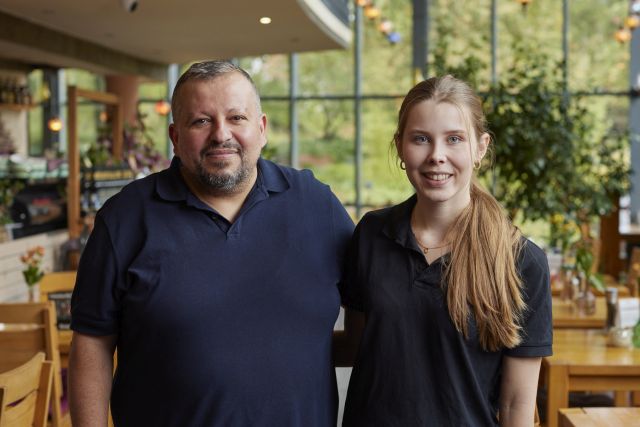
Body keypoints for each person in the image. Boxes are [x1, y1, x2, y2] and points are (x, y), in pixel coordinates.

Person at [68, 60, 354, 427]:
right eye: (201, 121)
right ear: (174, 136)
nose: (221, 134)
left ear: (262, 128)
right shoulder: (124, 219)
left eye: (237, 118)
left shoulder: (316, 205)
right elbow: (92, 344)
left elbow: (371, 303)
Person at [339, 75, 552, 426]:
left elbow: (516, 406)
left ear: (481, 147)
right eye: (421, 139)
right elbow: (361, 347)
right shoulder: (371, 235)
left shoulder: (520, 260)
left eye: (454, 139)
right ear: (401, 147)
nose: (436, 156)